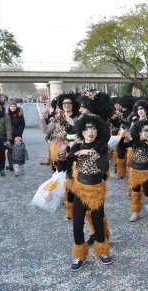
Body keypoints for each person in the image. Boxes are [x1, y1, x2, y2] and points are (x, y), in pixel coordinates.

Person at [56, 113, 112, 271]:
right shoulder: (77, 147)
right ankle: (80, 255)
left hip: (96, 191)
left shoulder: (101, 147)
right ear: (82, 131)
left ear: (98, 130)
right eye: (87, 129)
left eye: (93, 128)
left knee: (98, 222)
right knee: (77, 223)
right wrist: (61, 152)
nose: (90, 132)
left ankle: (102, 251)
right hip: (80, 190)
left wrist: (90, 153)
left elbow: (104, 167)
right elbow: (62, 168)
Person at [119, 119, 148, 222]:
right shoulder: (134, 142)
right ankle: (135, 212)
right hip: (135, 171)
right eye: (145, 130)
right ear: (139, 132)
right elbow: (122, 146)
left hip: (147, 171)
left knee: (147, 192)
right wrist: (121, 138)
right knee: (135, 192)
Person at [6, 101, 25, 171]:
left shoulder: (19, 114)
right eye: (11, 106)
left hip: (17, 134)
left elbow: (22, 124)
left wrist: (20, 133)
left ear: (16, 107)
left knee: (18, 149)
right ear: (9, 107)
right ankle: (10, 166)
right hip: (8, 135)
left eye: (14, 106)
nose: (13, 107)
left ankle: (19, 165)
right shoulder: (6, 114)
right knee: (9, 149)